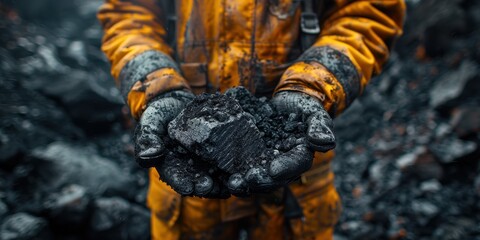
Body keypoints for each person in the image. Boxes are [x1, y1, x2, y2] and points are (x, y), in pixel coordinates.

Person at [98, 0, 405, 239]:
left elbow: (368, 12)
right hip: (185, 179)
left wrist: (313, 86)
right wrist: (155, 87)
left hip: (296, 177)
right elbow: (128, 14)